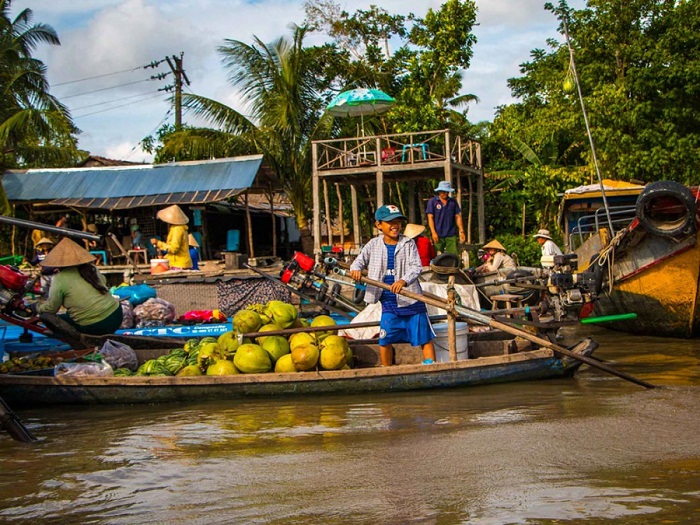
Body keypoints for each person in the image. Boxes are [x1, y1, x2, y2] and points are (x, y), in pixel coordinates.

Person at [350, 204, 436, 366]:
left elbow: (416, 266)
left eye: (398, 222)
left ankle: (431, 367)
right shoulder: (373, 245)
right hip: (388, 302)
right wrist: (355, 270)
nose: (395, 226)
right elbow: (358, 263)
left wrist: (403, 281)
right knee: (385, 339)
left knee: (424, 338)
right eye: (390, 222)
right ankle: (386, 370)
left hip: (411, 301)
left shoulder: (408, 243)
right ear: (379, 225)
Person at [29, 238, 123, 335]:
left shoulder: (60, 278)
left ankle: (80, 341)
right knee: (69, 315)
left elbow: (51, 308)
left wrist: (36, 307)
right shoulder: (92, 268)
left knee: (47, 317)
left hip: (95, 325)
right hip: (117, 315)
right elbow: (103, 281)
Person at [426, 180, 466, 255]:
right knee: (437, 256)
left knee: (454, 256)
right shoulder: (432, 202)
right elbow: (430, 217)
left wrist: (461, 231)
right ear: (439, 191)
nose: (446, 193)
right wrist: (433, 232)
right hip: (438, 234)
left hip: (451, 234)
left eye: (447, 192)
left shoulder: (453, 202)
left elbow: (457, 216)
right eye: (443, 192)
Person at [151, 204, 192, 270]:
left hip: (179, 264)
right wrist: (165, 258)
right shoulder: (177, 228)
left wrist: (159, 243)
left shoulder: (177, 229)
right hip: (178, 262)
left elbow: (174, 249)